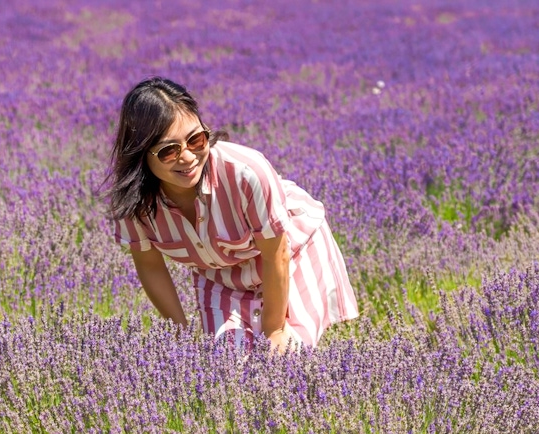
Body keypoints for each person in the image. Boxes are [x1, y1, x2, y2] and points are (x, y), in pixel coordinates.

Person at [107, 77, 359, 352]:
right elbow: (150, 266)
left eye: (196, 139)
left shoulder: (246, 174)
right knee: (227, 364)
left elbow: (277, 253)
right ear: (141, 154)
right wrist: (181, 336)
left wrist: (274, 328)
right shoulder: (133, 204)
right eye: (169, 151)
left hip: (293, 251)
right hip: (220, 275)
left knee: (285, 358)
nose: (189, 157)